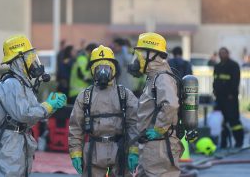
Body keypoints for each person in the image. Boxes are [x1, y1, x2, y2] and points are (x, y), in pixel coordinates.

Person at [0, 35, 67, 176]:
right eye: (29, 57)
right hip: (11, 143)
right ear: (19, 60)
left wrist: (51, 106)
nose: (33, 61)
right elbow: (23, 114)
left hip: (21, 140)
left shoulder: (22, 84)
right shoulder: (11, 84)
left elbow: (33, 114)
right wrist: (47, 106)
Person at [69, 45, 139, 177]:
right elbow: (76, 127)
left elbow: (134, 124)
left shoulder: (124, 94)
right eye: (98, 68)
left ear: (113, 69)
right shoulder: (85, 96)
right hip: (94, 150)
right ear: (92, 70)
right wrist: (76, 153)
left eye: (106, 67)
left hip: (120, 149)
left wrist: (134, 150)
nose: (102, 72)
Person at [128, 33, 184, 177]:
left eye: (141, 52)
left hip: (160, 146)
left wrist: (159, 129)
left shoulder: (162, 78)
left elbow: (170, 105)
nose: (137, 57)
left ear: (151, 54)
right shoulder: (153, 77)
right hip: (151, 146)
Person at [213, 47, 244, 148]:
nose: (222, 55)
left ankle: (239, 141)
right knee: (221, 121)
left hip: (230, 99)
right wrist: (214, 90)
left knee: (233, 120)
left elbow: (235, 81)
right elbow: (215, 79)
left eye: (224, 53)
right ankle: (223, 142)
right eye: (220, 53)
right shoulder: (217, 66)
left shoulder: (233, 65)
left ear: (228, 54)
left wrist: (232, 94)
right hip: (219, 98)